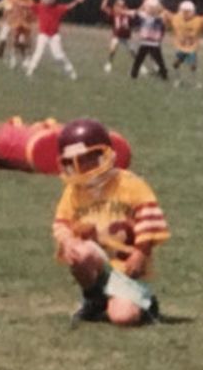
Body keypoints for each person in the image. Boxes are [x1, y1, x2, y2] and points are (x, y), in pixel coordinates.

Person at [51, 118, 170, 326]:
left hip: (127, 268)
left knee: (123, 318)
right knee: (80, 252)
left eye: (87, 158)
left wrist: (141, 251)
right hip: (99, 261)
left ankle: (146, 303)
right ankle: (94, 297)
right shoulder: (73, 192)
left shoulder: (130, 184)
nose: (81, 167)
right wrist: (69, 242)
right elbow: (61, 223)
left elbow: (149, 220)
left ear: (103, 154)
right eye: (73, 162)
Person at [26, 0, 85, 79]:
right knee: (38, 53)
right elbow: (26, 5)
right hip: (43, 35)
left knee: (58, 56)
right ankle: (30, 71)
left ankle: (71, 71)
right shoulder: (39, 7)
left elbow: (68, 7)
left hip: (54, 36)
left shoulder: (58, 8)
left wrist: (76, 1)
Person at [164, 0, 203, 87]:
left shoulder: (197, 20)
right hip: (180, 47)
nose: (186, 14)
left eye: (188, 12)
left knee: (193, 65)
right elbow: (167, 14)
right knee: (176, 64)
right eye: (185, 12)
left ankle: (196, 81)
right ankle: (178, 79)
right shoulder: (177, 19)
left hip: (192, 48)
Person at [131, 0, 168, 82]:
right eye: (149, 7)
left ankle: (164, 75)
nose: (150, 9)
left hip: (154, 43)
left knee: (159, 60)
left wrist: (157, 2)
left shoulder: (159, 18)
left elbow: (165, 13)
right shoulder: (143, 16)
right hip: (144, 42)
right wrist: (145, 2)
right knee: (138, 60)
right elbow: (136, 14)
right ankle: (133, 74)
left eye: (153, 8)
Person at [100, 0, 136, 73]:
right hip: (117, 35)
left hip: (126, 36)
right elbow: (103, 7)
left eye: (121, 1)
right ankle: (109, 64)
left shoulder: (127, 11)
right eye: (118, 1)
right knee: (113, 48)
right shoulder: (114, 11)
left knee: (132, 51)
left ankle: (139, 66)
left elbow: (134, 15)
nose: (120, 3)